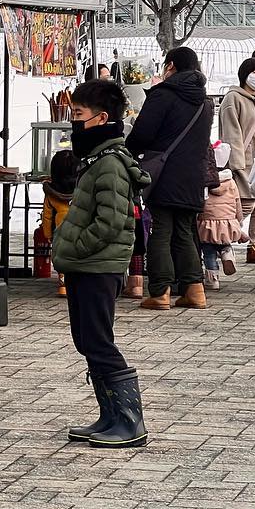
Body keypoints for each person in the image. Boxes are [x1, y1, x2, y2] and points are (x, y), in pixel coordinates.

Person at [51, 77, 149, 449]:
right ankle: (110, 414)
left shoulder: (109, 163)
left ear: (102, 118)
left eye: (78, 114)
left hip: (97, 266)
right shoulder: (95, 158)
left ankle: (129, 420)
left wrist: (74, 247)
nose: (73, 122)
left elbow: (108, 222)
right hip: (86, 265)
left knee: (99, 341)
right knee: (88, 341)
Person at [126, 47, 213, 310]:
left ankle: (160, 292)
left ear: (171, 65)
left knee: (160, 231)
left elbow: (142, 135)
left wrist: (130, 148)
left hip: (165, 174)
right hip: (193, 175)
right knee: (185, 232)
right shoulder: (204, 100)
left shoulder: (163, 95)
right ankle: (195, 292)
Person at [218, 57, 255, 264]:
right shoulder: (232, 98)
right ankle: (221, 242)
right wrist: (236, 164)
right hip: (241, 163)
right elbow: (231, 133)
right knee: (243, 206)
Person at [197, 141, 244, 289]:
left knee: (209, 251)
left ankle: (212, 280)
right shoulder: (231, 182)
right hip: (227, 221)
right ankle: (227, 253)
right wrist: (239, 220)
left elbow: (200, 201)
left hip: (207, 222)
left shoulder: (204, 181)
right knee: (224, 242)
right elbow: (237, 202)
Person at [40, 149, 77, 298]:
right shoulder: (83, 188)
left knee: (61, 259)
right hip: (79, 229)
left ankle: (63, 285)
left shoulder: (51, 192)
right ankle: (77, 283)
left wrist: (47, 234)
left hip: (59, 232)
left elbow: (47, 216)